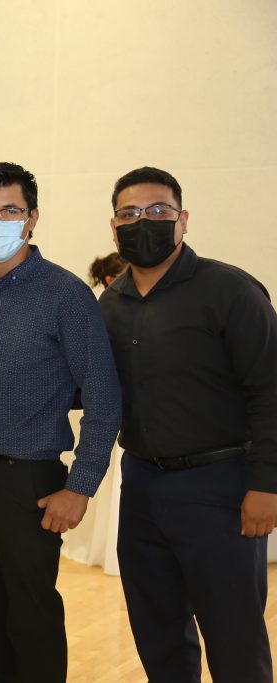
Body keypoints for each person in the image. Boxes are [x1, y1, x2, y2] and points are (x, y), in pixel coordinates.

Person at [0, 161, 121, 683]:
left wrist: (80, 486)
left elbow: (104, 398)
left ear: (32, 218)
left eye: (10, 211)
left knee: (31, 615)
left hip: (30, 480)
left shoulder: (66, 294)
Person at [99, 167, 277, 683]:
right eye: (130, 213)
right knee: (157, 633)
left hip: (220, 488)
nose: (144, 221)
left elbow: (270, 390)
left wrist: (267, 484)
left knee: (234, 637)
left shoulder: (230, 291)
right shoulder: (110, 304)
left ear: (183, 220)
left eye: (158, 210)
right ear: (114, 227)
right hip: (141, 487)